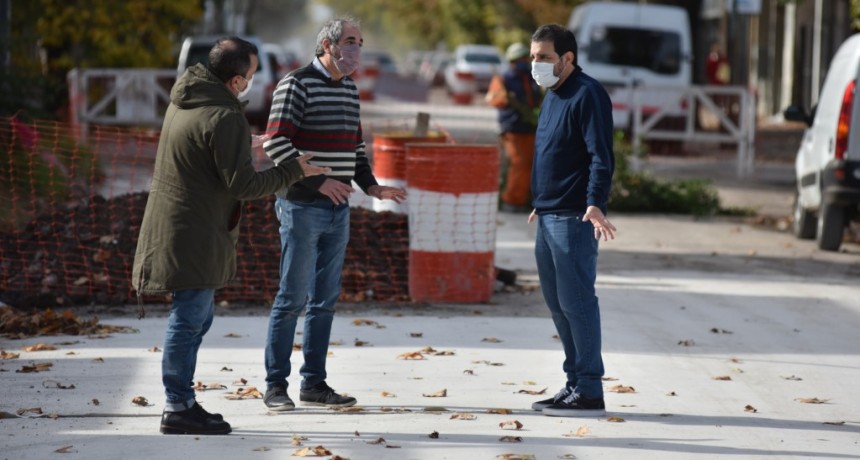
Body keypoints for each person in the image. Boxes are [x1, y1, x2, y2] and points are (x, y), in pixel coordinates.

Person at [132, 37, 330, 436]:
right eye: (252, 76)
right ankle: (177, 406)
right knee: (188, 320)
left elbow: (209, 156)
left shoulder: (186, 101)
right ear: (237, 80)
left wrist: (246, 146)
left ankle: (182, 401)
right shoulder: (224, 118)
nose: (252, 83)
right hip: (194, 230)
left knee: (196, 317)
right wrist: (295, 170)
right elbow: (243, 186)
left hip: (180, 224)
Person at [262, 17, 406, 411]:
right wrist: (317, 183)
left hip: (338, 211)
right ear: (327, 45)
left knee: (324, 301)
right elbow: (275, 142)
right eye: (350, 41)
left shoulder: (350, 89)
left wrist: (373, 187)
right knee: (291, 299)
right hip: (302, 205)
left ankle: (315, 384)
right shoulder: (295, 84)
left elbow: (354, 152)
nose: (357, 49)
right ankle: (276, 386)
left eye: (360, 41)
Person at [526, 24, 617, 417]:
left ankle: (590, 389)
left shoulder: (587, 93)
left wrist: (595, 203)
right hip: (548, 214)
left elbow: (601, 155)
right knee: (559, 305)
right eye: (533, 57)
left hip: (574, 218)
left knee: (577, 302)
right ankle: (574, 384)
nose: (537, 65)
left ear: (568, 59)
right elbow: (554, 152)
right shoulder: (553, 94)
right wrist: (541, 201)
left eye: (544, 57)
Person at [486, 42, 543, 213]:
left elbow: (537, 99)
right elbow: (495, 100)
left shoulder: (532, 77)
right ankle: (512, 200)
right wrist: (509, 101)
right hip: (512, 128)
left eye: (526, 58)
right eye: (520, 59)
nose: (524, 61)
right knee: (519, 164)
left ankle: (525, 199)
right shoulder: (504, 79)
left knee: (531, 165)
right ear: (512, 60)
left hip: (530, 127)